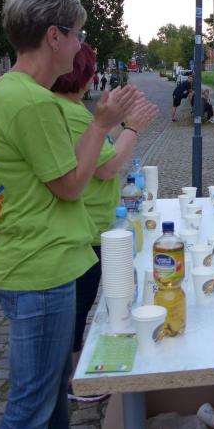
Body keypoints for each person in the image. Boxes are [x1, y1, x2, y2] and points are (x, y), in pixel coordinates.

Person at [0, 0, 139, 429]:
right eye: (77, 35)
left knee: (50, 405)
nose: (79, 45)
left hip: (30, 261)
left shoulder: (9, 91)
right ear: (54, 36)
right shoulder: (32, 102)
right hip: (42, 269)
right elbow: (70, 186)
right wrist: (102, 125)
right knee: (30, 410)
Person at [51, 44, 158, 403]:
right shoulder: (71, 113)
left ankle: (73, 368)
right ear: (82, 75)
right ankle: (74, 379)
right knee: (80, 304)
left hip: (88, 223)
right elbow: (108, 167)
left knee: (80, 304)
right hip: (89, 226)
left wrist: (113, 124)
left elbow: (99, 151)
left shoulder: (63, 110)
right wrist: (133, 128)